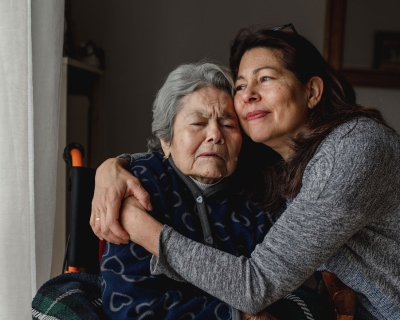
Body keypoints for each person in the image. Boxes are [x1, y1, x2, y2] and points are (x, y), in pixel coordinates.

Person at [92, 25, 400, 319]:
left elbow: (256, 286)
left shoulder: (350, 150)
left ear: (312, 91)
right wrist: (113, 167)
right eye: (241, 85)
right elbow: (185, 152)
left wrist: (137, 223)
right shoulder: (282, 164)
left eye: (265, 78)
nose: (249, 94)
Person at [100, 61, 321, 320]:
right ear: (166, 140)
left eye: (228, 124)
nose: (215, 135)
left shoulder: (263, 189)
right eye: (198, 123)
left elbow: (288, 287)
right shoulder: (141, 185)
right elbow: (130, 303)